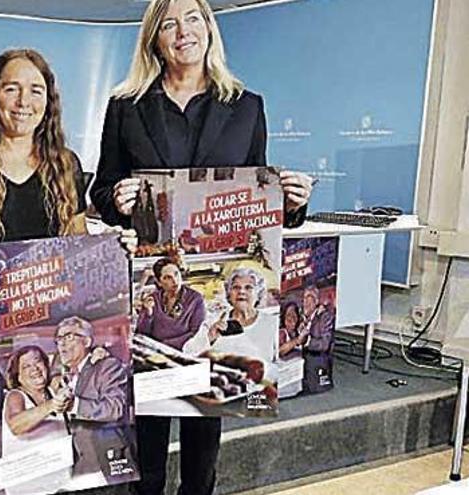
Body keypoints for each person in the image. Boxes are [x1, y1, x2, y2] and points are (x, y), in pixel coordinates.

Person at [88, 0, 314, 493]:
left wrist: (291, 202)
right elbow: (101, 190)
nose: (182, 30)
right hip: (149, 284)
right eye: (168, 22)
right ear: (154, 37)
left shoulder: (246, 105)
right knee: (147, 427)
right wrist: (117, 198)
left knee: (204, 431)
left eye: (193, 18)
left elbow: (258, 195)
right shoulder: (126, 105)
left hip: (214, 289)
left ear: (209, 29)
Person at [0, 48, 137, 494]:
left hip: (47, 328)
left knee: (52, 460)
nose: (23, 101)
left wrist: (112, 248)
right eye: (11, 88)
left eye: (36, 90)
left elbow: (77, 246)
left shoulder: (65, 166)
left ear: (49, 102)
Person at [52, 316, 138, 486]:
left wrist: (74, 405)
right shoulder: (66, 378)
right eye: (59, 339)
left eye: (68, 337)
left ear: (87, 341)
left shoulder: (107, 366)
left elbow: (114, 409)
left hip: (105, 467)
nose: (61, 344)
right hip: (78, 471)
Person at [0, 346, 73, 494]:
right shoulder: (16, 395)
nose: (34, 368)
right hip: (29, 489)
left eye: (37, 361)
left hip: (61, 483)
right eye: (26, 366)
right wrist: (51, 405)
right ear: (18, 376)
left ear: (46, 366)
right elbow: (15, 425)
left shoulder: (53, 391)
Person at [209, 267, 279, 379]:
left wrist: (261, 370)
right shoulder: (214, 321)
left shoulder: (273, 324)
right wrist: (209, 338)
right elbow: (190, 354)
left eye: (248, 288)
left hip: (259, 390)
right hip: (224, 389)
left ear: (258, 294)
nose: (241, 292)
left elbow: (282, 369)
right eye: (236, 287)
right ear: (229, 294)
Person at [137, 257, 206, 351]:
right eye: (167, 278)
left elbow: (197, 334)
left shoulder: (195, 299)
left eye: (176, 274)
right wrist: (148, 314)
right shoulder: (153, 299)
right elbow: (142, 334)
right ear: (159, 282)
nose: (175, 280)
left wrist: (165, 345)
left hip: (184, 351)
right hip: (156, 353)